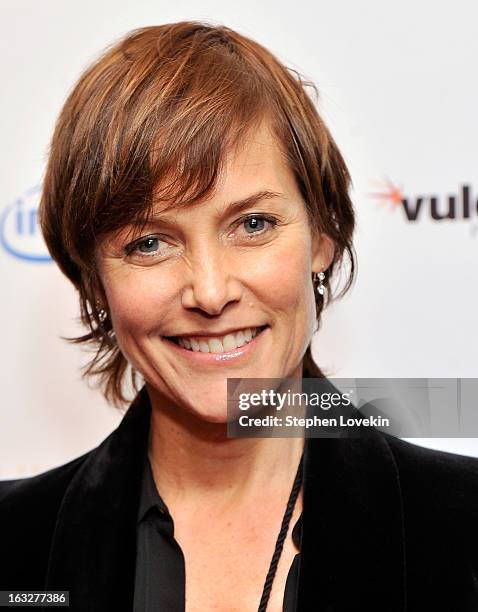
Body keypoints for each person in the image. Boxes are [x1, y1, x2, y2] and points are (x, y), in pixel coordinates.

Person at [1, 21, 478, 612]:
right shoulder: (12, 549)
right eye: (149, 243)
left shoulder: (464, 528)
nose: (209, 290)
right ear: (94, 279)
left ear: (323, 235)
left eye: (253, 224)